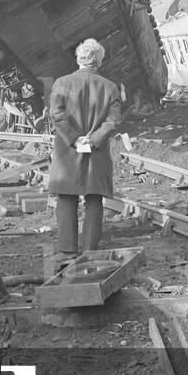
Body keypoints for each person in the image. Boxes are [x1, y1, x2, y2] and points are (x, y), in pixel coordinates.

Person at [48, 38, 121, 260]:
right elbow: (113, 121)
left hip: (68, 151)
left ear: (79, 58)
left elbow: (56, 115)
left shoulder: (61, 83)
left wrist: (74, 139)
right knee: (94, 198)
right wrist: (93, 139)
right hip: (96, 151)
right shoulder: (110, 87)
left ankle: (68, 249)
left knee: (66, 198)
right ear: (99, 61)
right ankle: (90, 249)